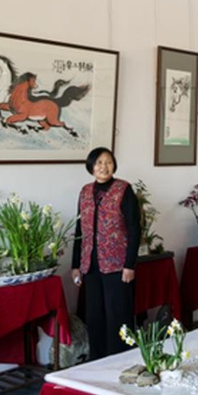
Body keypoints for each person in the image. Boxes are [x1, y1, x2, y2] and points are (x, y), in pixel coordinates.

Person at [72, 147, 141, 360]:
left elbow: (134, 228)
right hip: (90, 264)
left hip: (117, 265)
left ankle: (121, 360)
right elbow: (79, 230)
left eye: (108, 162)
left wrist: (129, 264)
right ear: (91, 166)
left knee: (118, 315)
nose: (104, 167)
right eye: (99, 163)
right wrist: (75, 265)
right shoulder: (85, 191)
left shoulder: (123, 189)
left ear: (114, 165)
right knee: (95, 315)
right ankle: (97, 360)